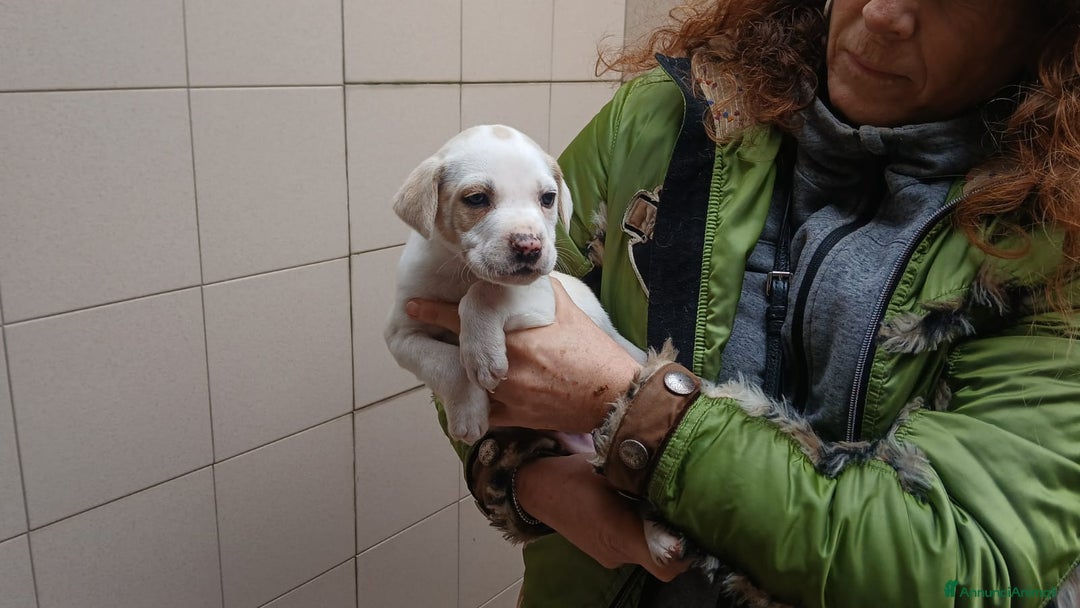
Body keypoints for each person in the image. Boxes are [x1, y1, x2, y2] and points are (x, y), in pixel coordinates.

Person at [406, 0, 1080, 605]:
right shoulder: (662, 115)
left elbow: (970, 570)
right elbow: (468, 321)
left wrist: (631, 404)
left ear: (1050, 33)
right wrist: (528, 478)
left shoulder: (1058, 244)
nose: (882, 14)